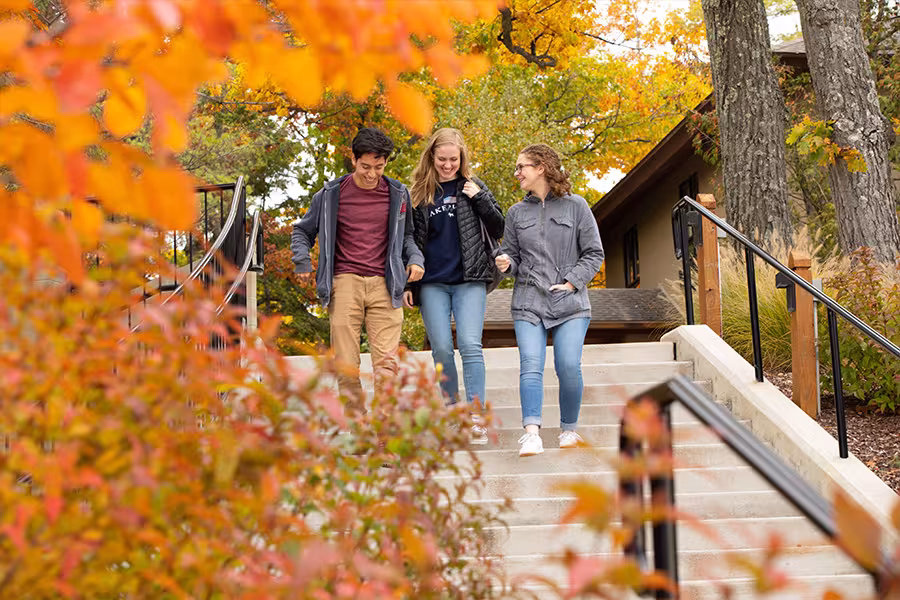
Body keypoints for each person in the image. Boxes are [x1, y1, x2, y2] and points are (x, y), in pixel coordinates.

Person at [291, 127, 424, 414]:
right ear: (353, 160)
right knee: (346, 366)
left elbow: (407, 237)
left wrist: (415, 258)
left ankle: (385, 431)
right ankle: (357, 426)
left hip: (385, 285)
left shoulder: (398, 194)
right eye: (365, 166)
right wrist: (302, 261)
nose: (372, 174)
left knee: (387, 366)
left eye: (379, 166)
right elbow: (302, 231)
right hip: (345, 283)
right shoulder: (330, 195)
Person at [495, 144, 604, 457]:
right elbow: (513, 256)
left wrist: (571, 282)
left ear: (541, 167)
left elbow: (594, 253)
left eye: (522, 167)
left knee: (567, 365)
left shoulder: (576, 206)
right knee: (531, 364)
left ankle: (569, 430)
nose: (517, 173)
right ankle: (531, 434)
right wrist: (506, 263)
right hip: (529, 301)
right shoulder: (516, 213)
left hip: (570, 302)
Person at [403, 128, 505, 444]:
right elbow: (409, 240)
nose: (448, 165)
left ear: (462, 159)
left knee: (471, 345)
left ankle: (476, 417)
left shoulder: (474, 186)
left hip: (469, 279)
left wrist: (480, 198)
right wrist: (408, 284)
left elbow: (499, 227)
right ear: (431, 158)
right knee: (442, 349)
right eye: (442, 159)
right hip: (431, 282)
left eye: (454, 160)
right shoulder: (418, 193)